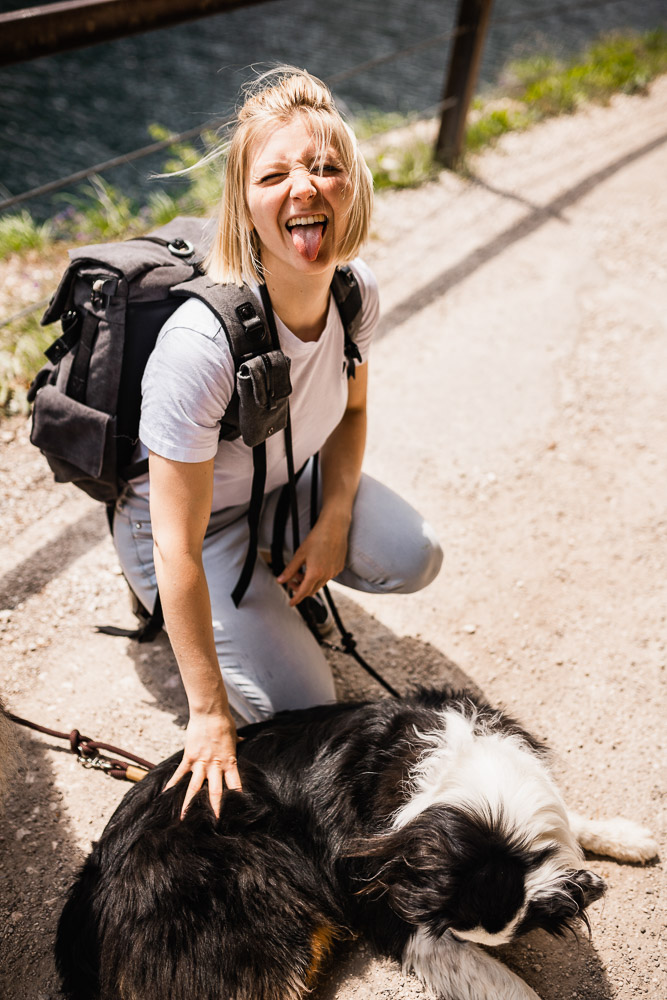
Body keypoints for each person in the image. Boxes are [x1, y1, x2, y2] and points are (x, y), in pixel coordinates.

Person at [112, 67, 443, 818]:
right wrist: (205, 714)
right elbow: (177, 546)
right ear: (244, 202)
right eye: (276, 173)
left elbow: (351, 415)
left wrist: (330, 523)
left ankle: (272, 574)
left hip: (276, 486)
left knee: (413, 553)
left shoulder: (354, 292)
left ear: (352, 185)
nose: (306, 187)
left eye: (326, 167)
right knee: (301, 706)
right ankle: (175, 605)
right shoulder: (200, 346)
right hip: (181, 528)